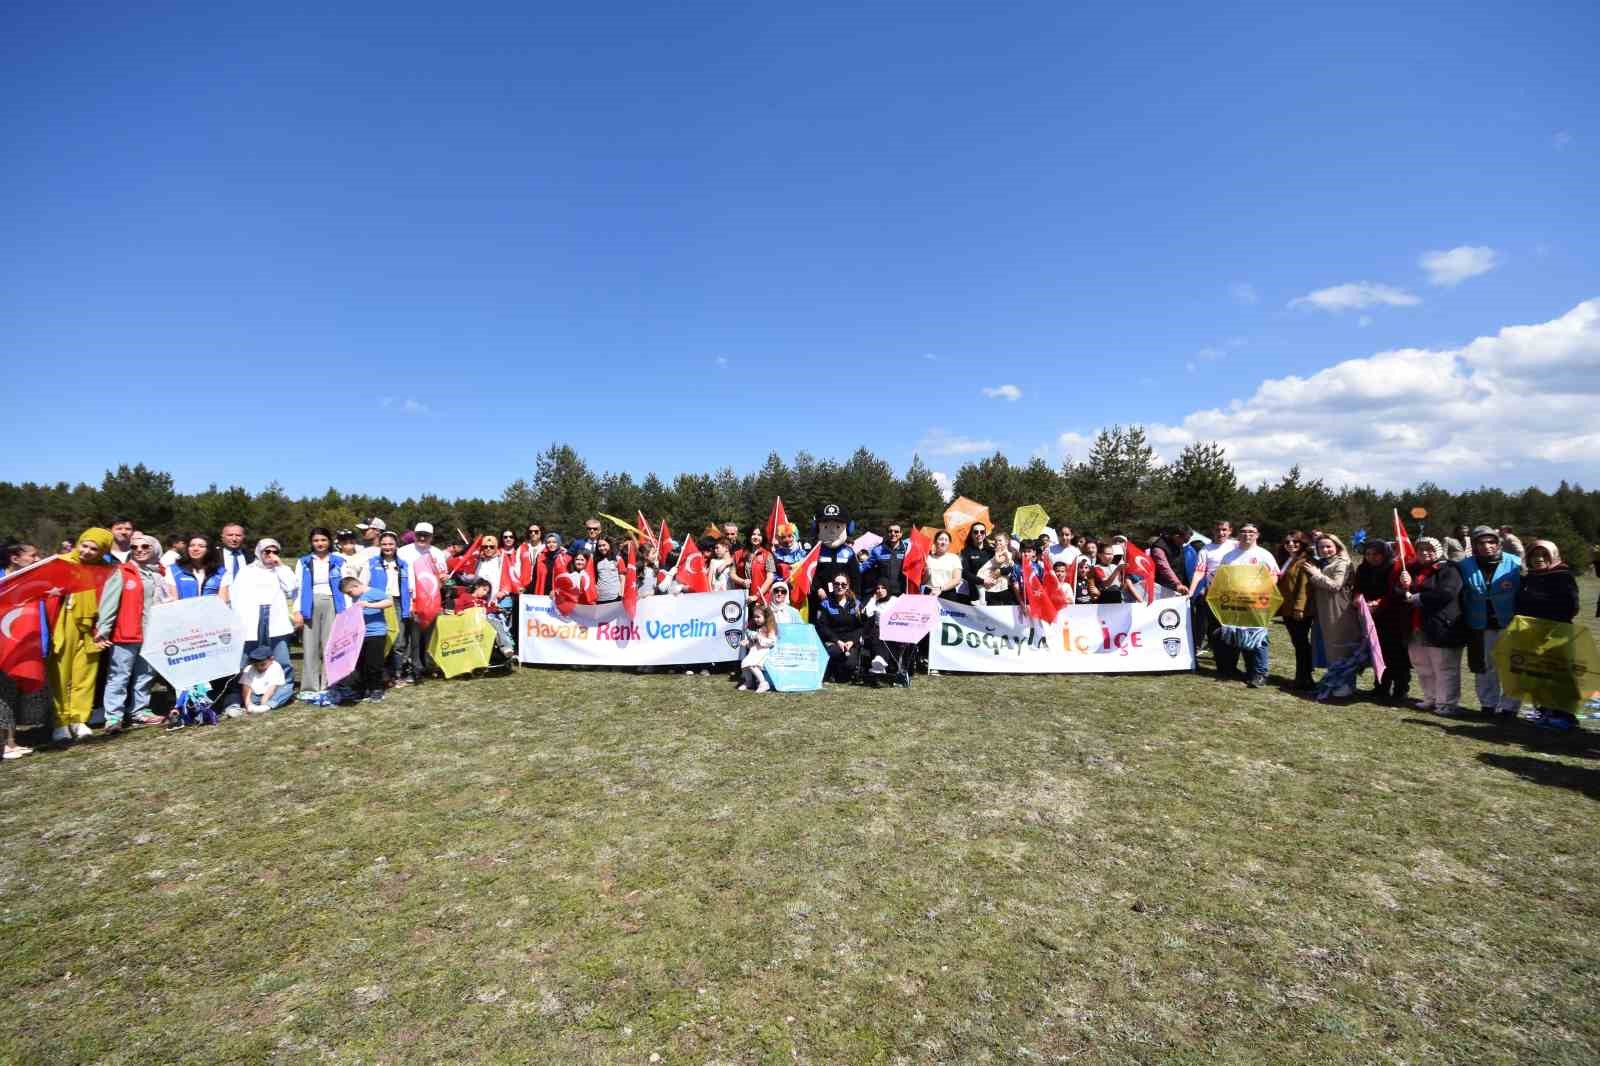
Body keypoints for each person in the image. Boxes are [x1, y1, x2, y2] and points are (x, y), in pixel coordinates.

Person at [46, 527, 116, 743]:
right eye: (84, 545)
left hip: (91, 625)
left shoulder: (106, 570)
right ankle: (60, 721)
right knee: (59, 674)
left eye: (94, 549)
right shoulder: (60, 562)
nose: (86, 551)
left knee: (86, 673)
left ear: (102, 551)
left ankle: (79, 719)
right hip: (63, 621)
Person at [96, 533, 170, 732]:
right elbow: (108, 603)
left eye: (145, 546)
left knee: (145, 675)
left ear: (155, 549)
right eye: (134, 547)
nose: (139, 550)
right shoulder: (121, 571)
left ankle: (140, 711)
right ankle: (113, 717)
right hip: (127, 633)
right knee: (119, 675)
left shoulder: (160, 574)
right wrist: (103, 629)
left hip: (152, 634)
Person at [222, 538, 300, 710]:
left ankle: (273, 700)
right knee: (243, 664)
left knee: (282, 663)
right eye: (267, 551)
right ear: (259, 552)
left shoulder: (281, 570)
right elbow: (236, 597)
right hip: (250, 623)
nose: (271, 555)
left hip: (276, 623)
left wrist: (280, 565)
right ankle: (240, 700)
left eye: (275, 551)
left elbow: (291, 586)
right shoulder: (246, 571)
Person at [1515, 540, 1582, 731]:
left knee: (1559, 675)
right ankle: (1545, 711)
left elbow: (1570, 606)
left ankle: (1565, 716)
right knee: (1539, 674)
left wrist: (1540, 612)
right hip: (1532, 633)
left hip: (1556, 634)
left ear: (1553, 556)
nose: (1539, 559)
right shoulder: (1529, 577)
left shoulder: (1562, 576)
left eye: (1544, 555)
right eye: (1534, 556)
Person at [1458, 526, 1522, 720]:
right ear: (1475, 545)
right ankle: (1488, 704)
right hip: (1480, 624)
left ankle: (1510, 707)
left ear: (1498, 543)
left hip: (1510, 623)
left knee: (1512, 667)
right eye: (1481, 542)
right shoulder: (1464, 565)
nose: (1487, 546)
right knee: (1485, 667)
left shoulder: (1515, 563)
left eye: (1491, 541)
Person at [1398, 537, 1466, 717]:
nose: (1424, 553)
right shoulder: (1411, 570)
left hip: (1442, 625)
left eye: (1429, 549)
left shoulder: (1449, 569)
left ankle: (1447, 703)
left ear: (1439, 550)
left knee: (1444, 666)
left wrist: (1419, 598)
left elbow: (1447, 593)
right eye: (1420, 549)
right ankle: (1431, 697)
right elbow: (1400, 593)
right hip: (1416, 625)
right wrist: (1404, 586)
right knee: (1422, 664)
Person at [1208, 523, 1280, 687]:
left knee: (1257, 637)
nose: (1247, 534)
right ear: (1238, 534)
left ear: (1257, 535)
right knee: (1235, 634)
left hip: (1256, 604)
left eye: (1251, 532)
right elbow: (1222, 577)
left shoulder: (1264, 554)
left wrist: (1259, 591)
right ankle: (1234, 669)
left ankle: (1259, 674)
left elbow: (1274, 577)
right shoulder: (1229, 556)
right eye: (1244, 531)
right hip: (1234, 604)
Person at [294, 527, 348, 703]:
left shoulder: (339, 561)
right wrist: (297, 610)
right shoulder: (303, 562)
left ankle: (329, 685)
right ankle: (309, 687)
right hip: (310, 604)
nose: (320, 543)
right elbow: (298, 588)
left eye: (323, 540)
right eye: (316, 540)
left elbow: (345, 586)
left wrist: (346, 611)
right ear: (311, 542)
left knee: (330, 646)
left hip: (333, 603)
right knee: (310, 646)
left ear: (329, 541)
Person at [1353, 541, 1411, 703]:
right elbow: (1358, 588)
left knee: (1396, 655)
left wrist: (1379, 603)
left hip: (1393, 617)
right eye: (1368, 554)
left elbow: (1397, 591)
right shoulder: (1363, 569)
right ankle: (1381, 687)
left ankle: (1400, 689)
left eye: (1376, 554)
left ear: (1385, 554)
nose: (1372, 557)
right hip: (1371, 616)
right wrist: (1358, 598)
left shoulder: (1396, 568)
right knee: (1378, 652)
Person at [1304, 533, 1359, 696]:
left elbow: (1336, 585)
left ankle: (1346, 685)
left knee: (1340, 646)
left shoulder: (1342, 562)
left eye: (1328, 546)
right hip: (1325, 609)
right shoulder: (1325, 562)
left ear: (1337, 546)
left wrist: (1316, 574)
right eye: (1321, 547)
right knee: (1330, 646)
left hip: (1339, 610)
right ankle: (1335, 681)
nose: (1325, 550)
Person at [397, 522, 449, 683]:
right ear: (414, 534)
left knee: (427, 637)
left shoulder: (437, 553)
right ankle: (412, 668)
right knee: (410, 637)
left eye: (426, 535)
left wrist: (443, 579)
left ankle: (426, 667)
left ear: (431, 537)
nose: (422, 538)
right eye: (419, 534)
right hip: (409, 598)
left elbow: (442, 577)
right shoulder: (403, 551)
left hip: (430, 601)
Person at [366, 532, 412, 683]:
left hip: (397, 603)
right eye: (384, 544)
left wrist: (409, 606)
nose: (387, 547)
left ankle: (397, 673)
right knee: (381, 639)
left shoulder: (403, 564)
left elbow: (410, 586)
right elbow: (364, 584)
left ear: (396, 545)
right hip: (378, 602)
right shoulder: (372, 563)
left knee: (399, 641)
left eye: (391, 544)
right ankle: (381, 673)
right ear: (380, 545)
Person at [340, 574, 392, 702]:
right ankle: (362, 689)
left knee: (374, 664)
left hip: (376, 633)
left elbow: (389, 602)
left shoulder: (373, 592)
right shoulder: (356, 597)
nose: (349, 596)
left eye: (349, 592)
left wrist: (368, 605)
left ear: (355, 586)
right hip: (360, 635)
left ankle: (376, 689)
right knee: (361, 664)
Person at [1277, 533, 1316, 690]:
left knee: (1301, 645)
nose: (1291, 544)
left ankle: (1304, 679)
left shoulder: (1304, 561)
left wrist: (1299, 608)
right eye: (1287, 542)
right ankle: (1303, 677)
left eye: (1295, 542)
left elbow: (1304, 588)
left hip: (1299, 611)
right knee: (1298, 644)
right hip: (1287, 609)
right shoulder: (1288, 559)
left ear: (1302, 543)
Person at [814, 575, 864, 682]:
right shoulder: (825, 604)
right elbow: (822, 627)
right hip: (833, 642)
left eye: (843, 584)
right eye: (837, 584)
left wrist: (852, 641)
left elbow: (861, 627)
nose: (840, 587)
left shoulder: (856, 604)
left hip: (850, 643)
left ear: (847, 586)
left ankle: (838, 672)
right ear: (833, 586)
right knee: (835, 652)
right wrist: (837, 641)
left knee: (850, 665)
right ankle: (830, 671)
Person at [167, 533, 224, 599]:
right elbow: (173, 599)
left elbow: (223, 600)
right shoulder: (173, 570)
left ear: (209, 550)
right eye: (192, 546)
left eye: (201, 546)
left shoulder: (220, 572)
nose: (195, 549)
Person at [864, 523, 911, 596]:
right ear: (887, 533)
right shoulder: (878, 550)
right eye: (890, 531)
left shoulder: (907, 549)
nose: (893, 534)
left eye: (896, 531)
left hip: (902, 592)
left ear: (901, 534)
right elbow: (865, 566)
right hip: (884, 593)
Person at [737, 604, 776, 691]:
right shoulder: (756, 627)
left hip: (763, 651)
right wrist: (747, 643)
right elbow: (753, 642)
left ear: (766, 617)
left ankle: (763, 683)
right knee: (744, 664)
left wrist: (760, 638)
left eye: (758, 617)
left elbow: (772, 642)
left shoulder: (770, 628)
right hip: (754, 650)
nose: (755, 619)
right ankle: (749, 682)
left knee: (752, 664)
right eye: (754, 617)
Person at [732, 529, 777, 603]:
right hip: (741, 597)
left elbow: (770, 578)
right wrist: (742, 581)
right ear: (749, 536)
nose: (756, 537)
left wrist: (757, 596)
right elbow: (732, 574)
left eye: (759, 535)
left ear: (763, 538)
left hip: (761, 599)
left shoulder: (768, 555)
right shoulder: (737, 554)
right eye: (753, 534)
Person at [240, 645, 285, 715]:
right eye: (255, 665)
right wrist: (248, 704)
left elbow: (272, 687)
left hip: (271, 695)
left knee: (286, 690)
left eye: (263, 664)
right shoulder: (248, 669)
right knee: (238, 695)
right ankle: (251, 707)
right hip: (254, 695)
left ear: (271, 659)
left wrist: (263, 704)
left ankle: (266, 706)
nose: (259, 667)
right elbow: (246, 687)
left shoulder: (276, 667)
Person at [958, 522, 994, 603]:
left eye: (982, 532)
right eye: (976, 532)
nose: (979, 534)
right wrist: (982, 581)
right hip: (975, 593)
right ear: (971, 534)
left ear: (985, 534)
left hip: (993, 591)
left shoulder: (991, 551)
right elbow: (964, 572)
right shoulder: (966, 552)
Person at [977, 535, 1015, 606]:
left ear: (1006, 542)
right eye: (996, 541)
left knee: (981, 581)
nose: (997, 542)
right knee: (981, 581)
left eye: (1000, 540)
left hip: (996, 577)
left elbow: (999, 561)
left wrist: (996, 553)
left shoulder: (1005, 553)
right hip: (990, 572)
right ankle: (981, 599)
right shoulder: (1002, 551)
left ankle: (982, 600)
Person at [1151, 527, 1190, 596]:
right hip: (1159, 588)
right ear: (1176, 536)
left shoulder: (1178, 545)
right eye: (1185, 540)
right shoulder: (1159, 547)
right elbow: (1164, 567)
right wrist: (1177, 583)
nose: (1185, 543)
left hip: (1175, 587)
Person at [924, 531, 962, 600]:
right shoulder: (927, 558)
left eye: (946, 540)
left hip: (948, 594)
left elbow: (957, 579)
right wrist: (927, 572)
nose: (943, 542)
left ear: (949, 543)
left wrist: (940, 589)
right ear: (935, 542)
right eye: (941, 539)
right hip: (930, 593)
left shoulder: (954, 558)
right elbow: (923, 581)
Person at [593, 538, 623, 604]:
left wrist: (621, 592)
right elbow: (595, 578)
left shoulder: (618, 559)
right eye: (599, 546)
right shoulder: (596, 561)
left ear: (609, 545)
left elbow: (622, 578)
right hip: (600, 598)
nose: (602, 548)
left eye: (604, 545)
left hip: (615, 597)